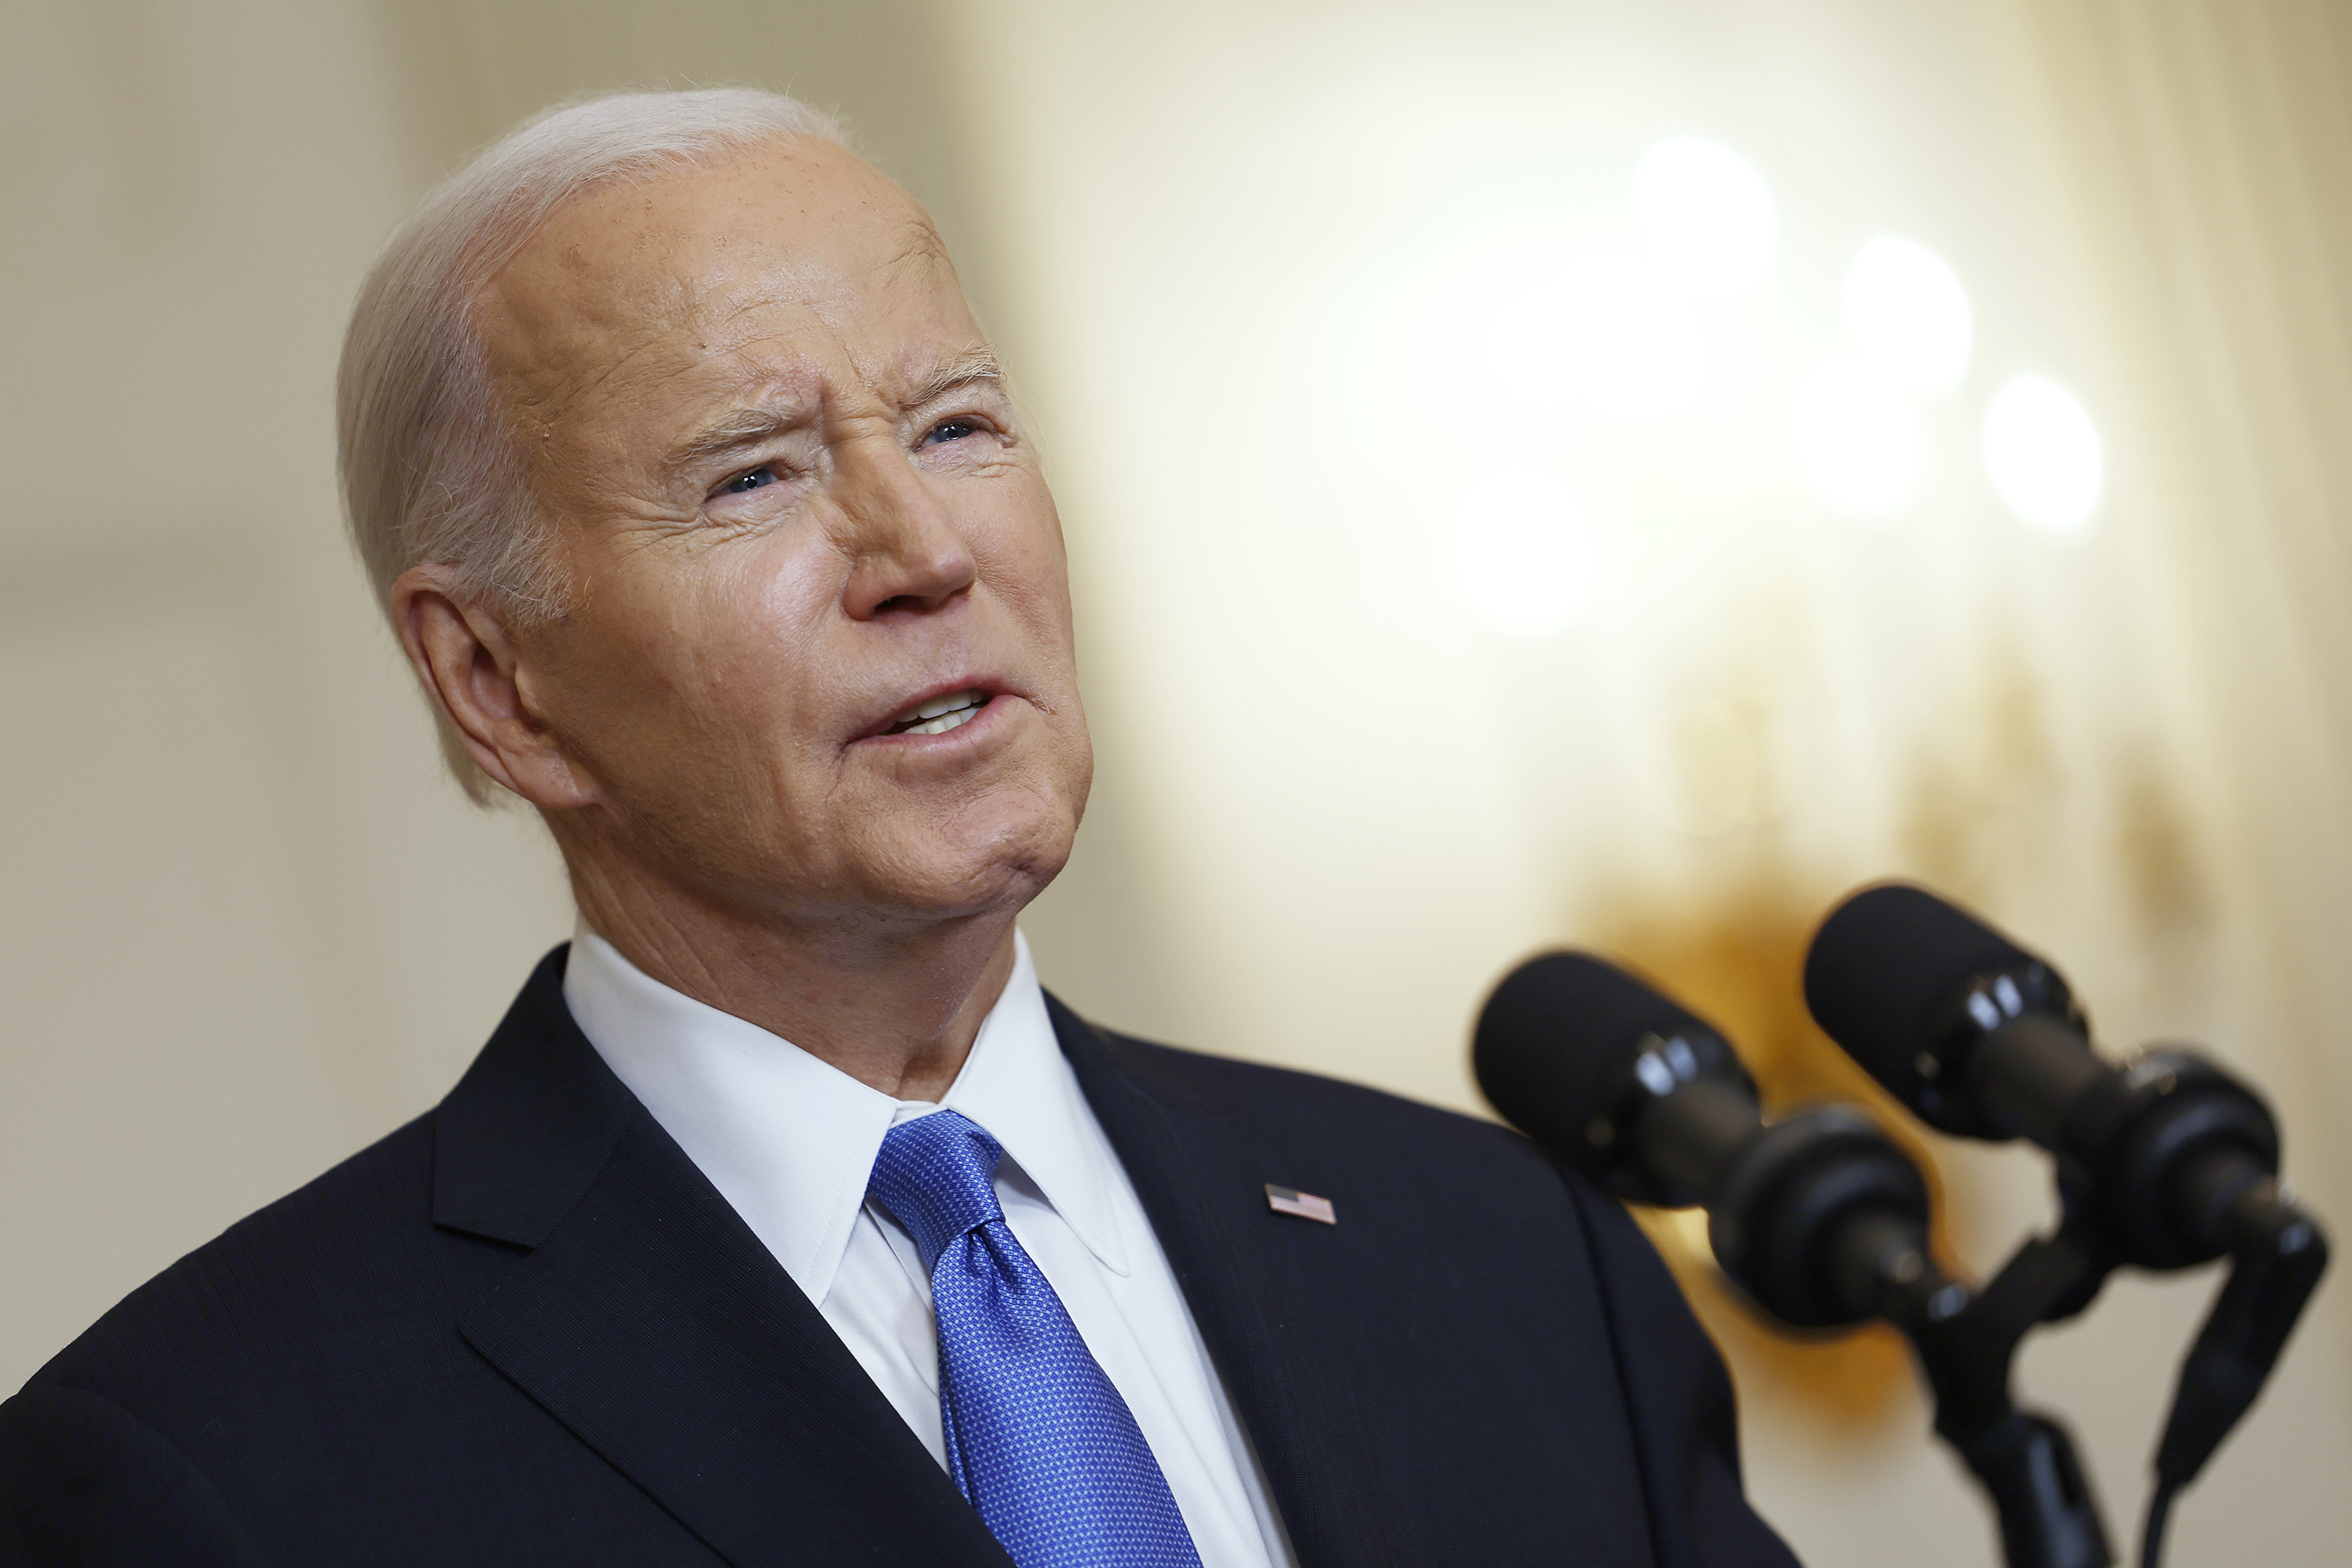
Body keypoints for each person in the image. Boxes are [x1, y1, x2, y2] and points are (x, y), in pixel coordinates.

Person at [0, 89, 1799, 1568]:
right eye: (755, 474)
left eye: (955, 426)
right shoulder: (203, 1474)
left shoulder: (1498, 1252)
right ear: (496, 681)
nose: (926, 551)